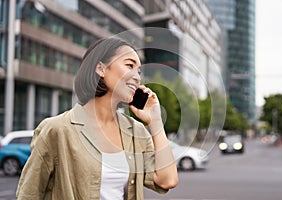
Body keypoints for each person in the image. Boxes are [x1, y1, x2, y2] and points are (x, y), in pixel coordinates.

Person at [16, 37, 178, 200]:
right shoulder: (57, 130)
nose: (137, 77)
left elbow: (167, 180)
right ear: (101, 68)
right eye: (129, 65)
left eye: (139, 71)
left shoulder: (136, 131)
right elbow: (28, 194)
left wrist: (155, 121)